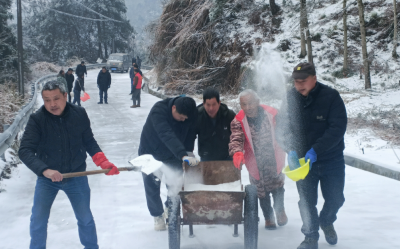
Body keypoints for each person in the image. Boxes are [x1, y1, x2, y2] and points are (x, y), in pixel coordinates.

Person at [18, 80, 119, 249]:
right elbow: (25, 150)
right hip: (47, 180)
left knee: (85, 218)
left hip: (76, 176)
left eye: (56, 98)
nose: (52, 104)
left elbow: (89, 141)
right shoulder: (37, 119)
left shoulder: (79, 114)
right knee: (38, 220)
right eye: (47, 100)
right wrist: (45, 170)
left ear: (66, 96)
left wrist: (103, 161)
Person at [277, 62, 347, 249]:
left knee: (336, 199)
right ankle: (310, 237)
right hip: (302, 163)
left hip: (331, 159)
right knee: (307, 202)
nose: (299, 85)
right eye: (296, 81)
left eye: (303, 81)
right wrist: (290, 148)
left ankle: (326, 220)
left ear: (314, 79)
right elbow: (281, 127)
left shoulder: (330, 96)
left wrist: (316, 149)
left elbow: (337, 128)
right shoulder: (290, 98)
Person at [229, 89, 287, 230]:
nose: (248, 107)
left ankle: (279, 210)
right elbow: (236, 138)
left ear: (257, 102)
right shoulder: (238, 120)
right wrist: (237, 152)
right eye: (244, 104)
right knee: (260, 190)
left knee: (278, 185)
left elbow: (284, 132)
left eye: (250, 103)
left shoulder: (272, 114)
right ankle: (268, 217)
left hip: (274, 158)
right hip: (254, 161)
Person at [138, 96, 198, 231]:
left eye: (186, 118)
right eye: (181, 117)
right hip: (150, 152)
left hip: (174, 154)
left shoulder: (191, 114)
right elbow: (166, 134)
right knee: (152, 186)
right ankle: (157, 215)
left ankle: (170, 207)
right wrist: (182, 154)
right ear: (173, 108)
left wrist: (188, 152)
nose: (183, 120)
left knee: (175, 184)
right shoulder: (158, 111)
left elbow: (190, 133)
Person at [196, 88, 235, 161]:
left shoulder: (229, 115)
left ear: (219, 103)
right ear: (203, 104)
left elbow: (237, 135)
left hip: (227, 157)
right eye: (208, 105)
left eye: (214, 104)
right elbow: (190, 135)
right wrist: (187, 153)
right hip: (206, 158)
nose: (211, 108)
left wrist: (236, 152)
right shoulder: (197, 116)